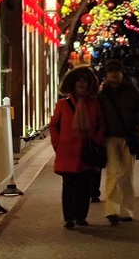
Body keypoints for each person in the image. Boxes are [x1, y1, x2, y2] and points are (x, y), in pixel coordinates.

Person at [49, 65, 105, 229]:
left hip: (87, 151)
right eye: (79, 82)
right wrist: (57, 144)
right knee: (68, 186)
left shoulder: (94, 104)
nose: (82, 85)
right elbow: (54, 126)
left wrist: (96, 141)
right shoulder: (63, 104)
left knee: (85, 186)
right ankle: (69, 217)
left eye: (85, 82)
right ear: (72, 84)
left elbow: (101, 125)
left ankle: (81, 216)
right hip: (67, 151)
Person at [97, 59, 139, 225]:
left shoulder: (131, 90)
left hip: (128, 137)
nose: (114, 74)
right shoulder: (102, 94)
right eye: (110, 71)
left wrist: (134, 120)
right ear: (106, 74)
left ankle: (126, 210)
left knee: (126, 174)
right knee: (113, 173)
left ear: (121, 73)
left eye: (116, 71)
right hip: (109, 138)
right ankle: (112, 210)